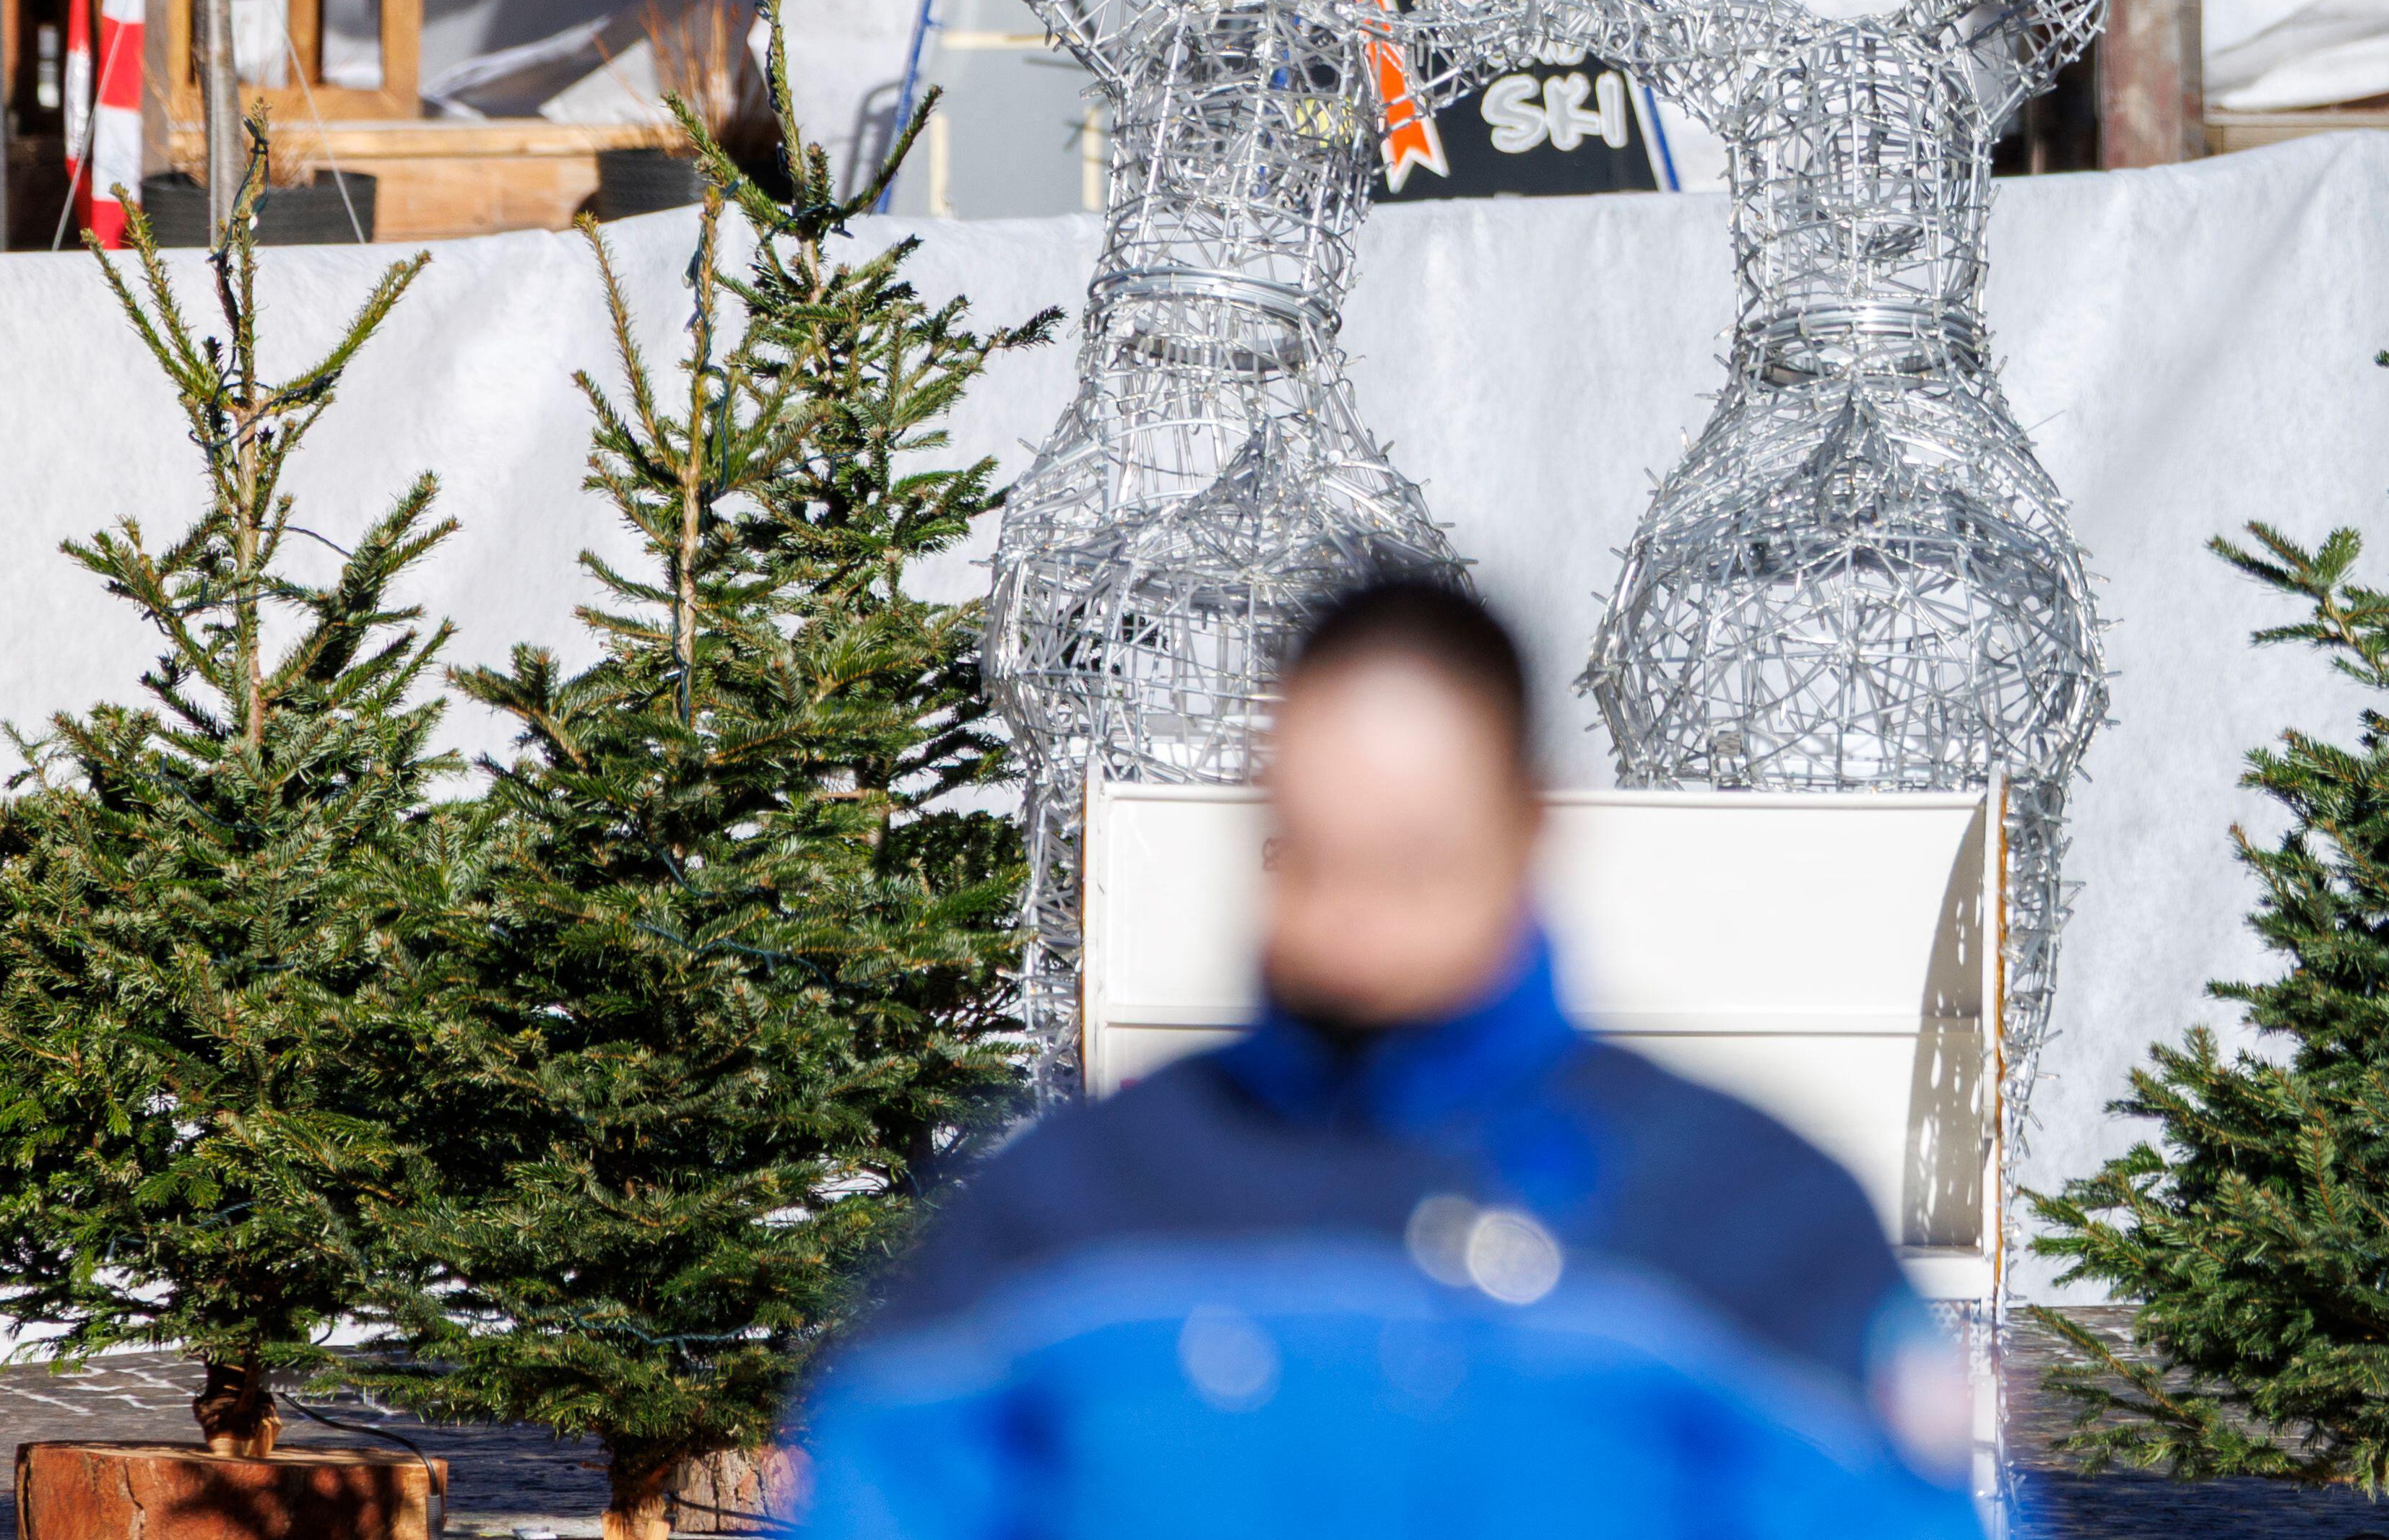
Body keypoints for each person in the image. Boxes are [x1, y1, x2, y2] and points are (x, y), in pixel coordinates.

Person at [789, 572, 1972, 1540]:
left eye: (1410, 866)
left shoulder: (1749, 1217)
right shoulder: (1069, 1210)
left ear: (1528, 828)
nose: (1353, 929)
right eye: (1312, 859)